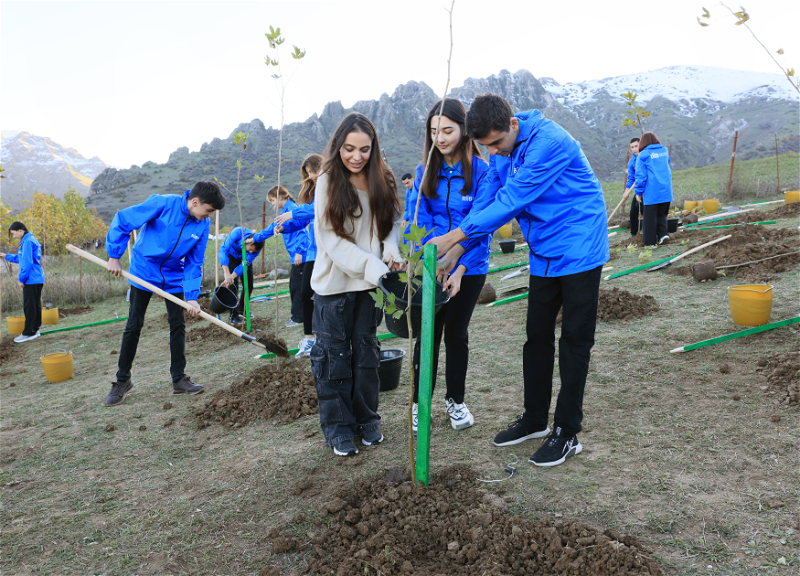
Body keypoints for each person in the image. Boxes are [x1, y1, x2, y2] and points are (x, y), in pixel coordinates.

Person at [426, 93, 609, 467]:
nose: (493, 152)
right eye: (485, 147)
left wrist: (455, 236)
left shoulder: (550, 143)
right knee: (536, 337)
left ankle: (566, 432)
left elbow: (513, 198)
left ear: (513, 125)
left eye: (496, 143)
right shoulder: (499, 149)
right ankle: (535, 418)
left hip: (579, 247)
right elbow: (487, 199)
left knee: (574, 340)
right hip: (543, 253)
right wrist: (460, 249)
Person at [308, 112, 403, 457]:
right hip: (334, 289)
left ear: (373, 147)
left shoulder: (383, 177)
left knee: (366, 355)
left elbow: (390, 224)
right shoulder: (328, 180)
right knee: (334, 359)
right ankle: (338, 429)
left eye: (364, 149)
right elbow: (331, 239)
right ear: (338, 146)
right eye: (349, 149)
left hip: (370, 286)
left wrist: (390, 253)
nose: (356, 157)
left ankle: (368, 421)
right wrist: (375, 267)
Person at [407, 99, 493, 435]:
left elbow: (482, 223)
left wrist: (458, 263)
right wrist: (434, 259)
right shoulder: (423, 171)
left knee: (456, 334)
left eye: (447, 130)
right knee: (426, 335)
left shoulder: (484, 173)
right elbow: (418, 217)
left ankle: (455, 400)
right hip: (430, 266)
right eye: (434, 131)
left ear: (464, 130)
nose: (440, 138)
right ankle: (419, 403)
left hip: (469, 268)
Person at [104, 181, 225, 407]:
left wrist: (191, 296)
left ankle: (179, 379)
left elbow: (194, 262)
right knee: (134, 324)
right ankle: (122, 381)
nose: (209, 216)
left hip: (172, 275)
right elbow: (123, 219)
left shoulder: (202, 223)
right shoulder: (162, 204)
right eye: (208, 210)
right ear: (196, 202)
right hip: (144, 270)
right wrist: (114, 255)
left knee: (177, 323)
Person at [274, 153, 323, 358]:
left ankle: (316, 338)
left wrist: (293, 214)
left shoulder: (329, 186)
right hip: (314, 250)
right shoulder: (313, 191)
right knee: (306, 294)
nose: (311, 177)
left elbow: (318, 210)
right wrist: (284, 227)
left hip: (325, 250)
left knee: (315, 294)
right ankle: (311, 338)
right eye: (308, 173)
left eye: (313, 172)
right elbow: (303, 222)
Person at [255, 185, 309, 328]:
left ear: (280, 197)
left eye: (272, 200)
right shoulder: (285, 210)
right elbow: (273, 227)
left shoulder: (292, 209)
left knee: (296, 287)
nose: (272, 204)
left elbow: (303, 230)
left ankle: (299, 318)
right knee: (296, 286)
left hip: (301, 255)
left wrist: (299, 251)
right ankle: (300, 315)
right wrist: (256, 238)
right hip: (296, 255)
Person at [1, 222, 44, 343]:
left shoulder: (27, 242)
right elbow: (21, 258)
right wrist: (6, 256)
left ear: (20, 230)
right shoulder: (30, 239)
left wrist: (21, 279)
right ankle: (35, 329)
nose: (14, 236)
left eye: (14, 233)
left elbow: (27, 263)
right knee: (35, 305)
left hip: (30, 279)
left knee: (29, 306)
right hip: (37, 278)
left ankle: (28, 333)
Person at [219, 227, 266, 325]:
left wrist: (233, 275)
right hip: (231, 256)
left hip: (244, 259)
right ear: (248, 242)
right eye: (251, 249)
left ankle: (242, 309)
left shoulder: (255, 250)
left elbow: (244, 264)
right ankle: (233, 315)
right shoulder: (237, 233)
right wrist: (227, 273)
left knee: (249, 284)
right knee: (233, 285)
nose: (251, 252)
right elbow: (223, 250)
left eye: (253, 251)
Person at [634, 131, 673, 247]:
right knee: (662, 215)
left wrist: (638, 192)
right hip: (666, 190)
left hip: (652, 192)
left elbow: (640, 176)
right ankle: (663, 235)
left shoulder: (643, 155)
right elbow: (668, 161)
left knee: (649, 219)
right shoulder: (664, 151)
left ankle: (650, 243)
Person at [625, 137, 641, 237]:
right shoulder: (631, 162)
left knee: (647, 211)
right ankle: (634, 234)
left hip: (649, 189)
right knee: (633, 211)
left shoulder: (645, 157)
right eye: (632, 147)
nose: (634, 149)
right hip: (638, 189)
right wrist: (626, 191)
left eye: (636, 146)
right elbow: (631, 178)